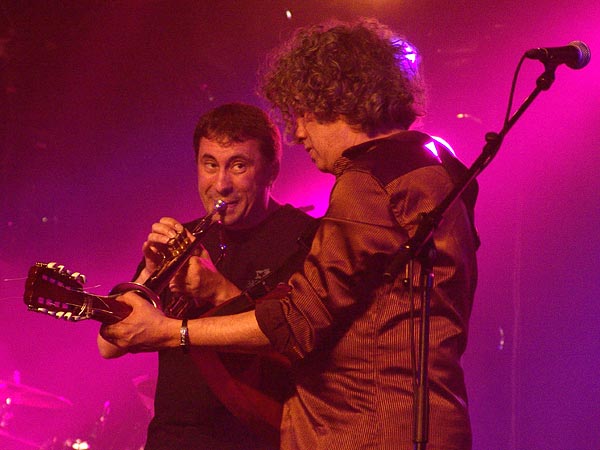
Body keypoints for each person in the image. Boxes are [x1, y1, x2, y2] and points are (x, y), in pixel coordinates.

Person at [100, 19, 479, 450]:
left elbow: (298, 322)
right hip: (424, 420)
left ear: (338, 101)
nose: (298, 133)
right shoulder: (437, 169)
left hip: (363, 430)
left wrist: (171, 332)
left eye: (304, 114)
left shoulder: (366, 180)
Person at [97, 102, 317, 450]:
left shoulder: (308, 239)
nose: (221, 184)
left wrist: (218, 291)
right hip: (170, 440)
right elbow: (108, 346)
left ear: (272, 171)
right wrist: (149, 275)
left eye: (239, 165)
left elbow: (296, 346)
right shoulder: (184, 237)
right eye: (210, 164)